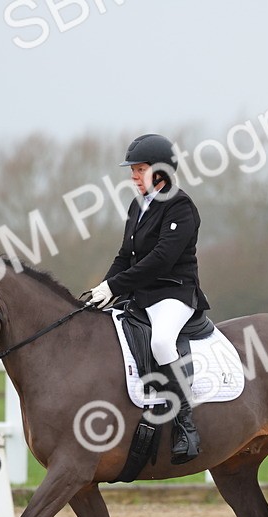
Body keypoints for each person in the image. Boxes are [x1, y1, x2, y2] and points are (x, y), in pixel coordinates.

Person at [87, 133, 210, 464]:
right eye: (133, 170)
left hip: (174, 293)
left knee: (161, 342)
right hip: (141, 294)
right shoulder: (137, 205)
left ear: (160, 171)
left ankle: (186, 425)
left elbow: (160, 260)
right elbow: (126, 255)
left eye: (139, 169)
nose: (133, 176)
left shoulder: (181, 206)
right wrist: (103, 289)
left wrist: (116, 287)